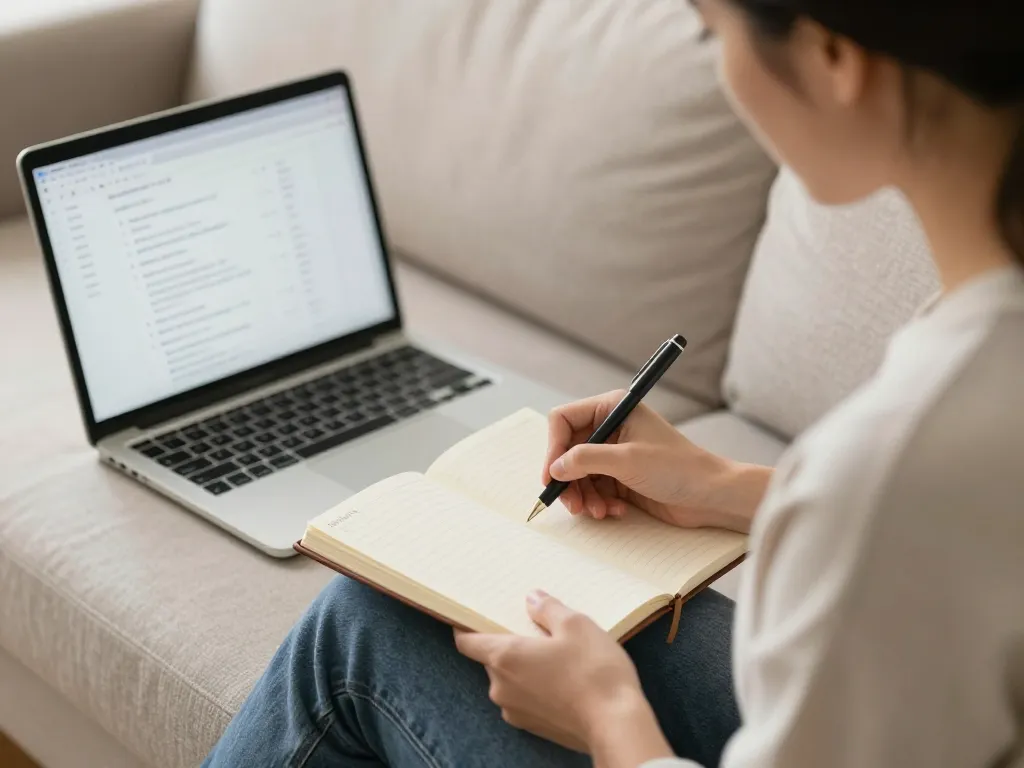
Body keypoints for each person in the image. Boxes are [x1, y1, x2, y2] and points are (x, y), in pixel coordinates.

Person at [204, 0, 1024, 765]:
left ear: (833, 56)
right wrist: (724, 486)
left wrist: (609, 721)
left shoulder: (898, 456)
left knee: (354, 635)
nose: (723, 72)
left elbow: (901, 506)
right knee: (386, 610)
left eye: (714, 32)